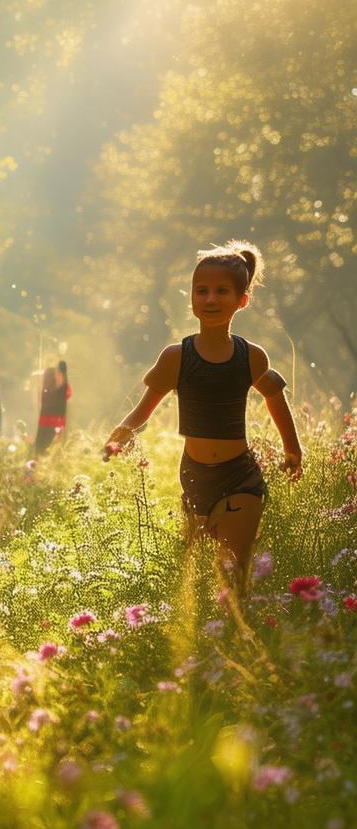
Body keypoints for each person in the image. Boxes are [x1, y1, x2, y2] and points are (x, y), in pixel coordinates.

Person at [103, 241, 303, 594]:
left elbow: (274, 394)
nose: (210, 299)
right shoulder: (176, 357)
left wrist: (293, 449)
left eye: (222, 291)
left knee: (232, 567)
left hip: (240, 474)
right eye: (202, 291)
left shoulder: (251, 357)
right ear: (191, 298)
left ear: (242, 300)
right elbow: (145, 407)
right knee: (192, 569)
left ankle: (235, 630)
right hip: (194, 474)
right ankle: (197, 631)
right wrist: (124, 431)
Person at [35, 362, 72, 455]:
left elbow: (39, 405)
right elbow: (68, 394)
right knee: (55, 448)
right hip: (56, 421)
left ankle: (39, 460)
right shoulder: (60, 389)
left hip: (46, 421)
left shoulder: (44, 390)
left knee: (41, 447)